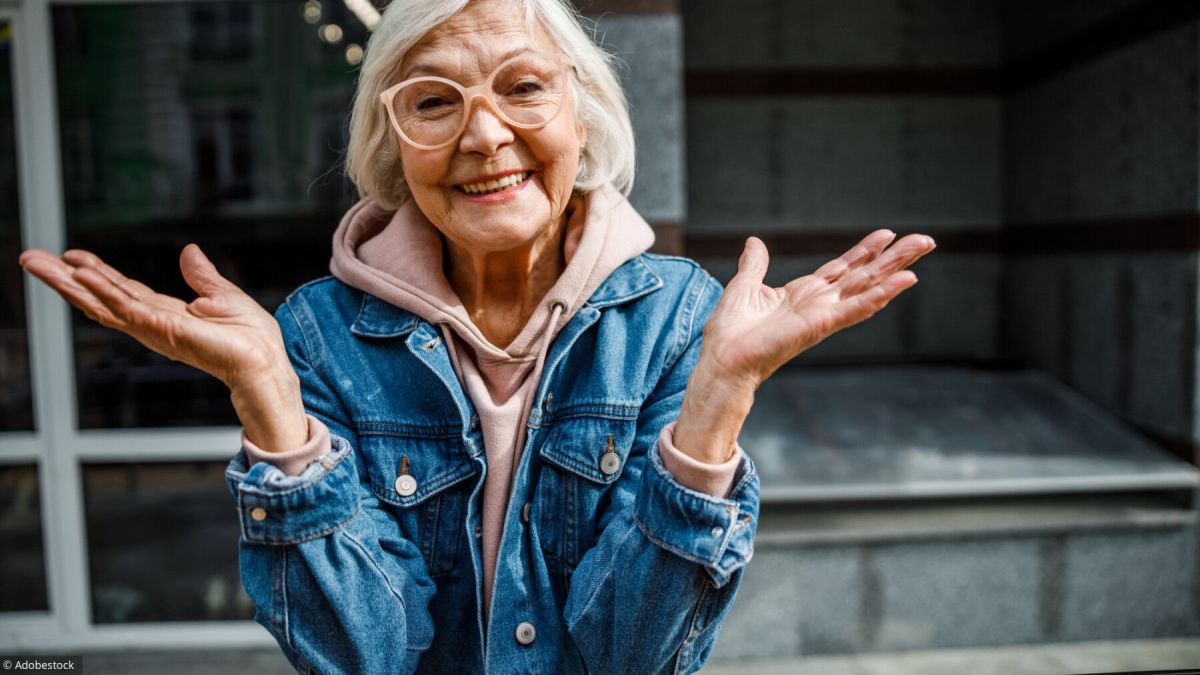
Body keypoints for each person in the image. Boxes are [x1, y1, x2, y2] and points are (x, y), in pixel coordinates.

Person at [19, 0, 935, 672]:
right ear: (393, 141)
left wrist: (721, 394)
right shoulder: (316, 336)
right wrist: (271, 401)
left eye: (522, 87)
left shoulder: (679, 319)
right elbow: (362, 655)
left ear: (583, 112)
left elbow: (633, 656)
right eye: (433, 101)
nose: (484, 133)